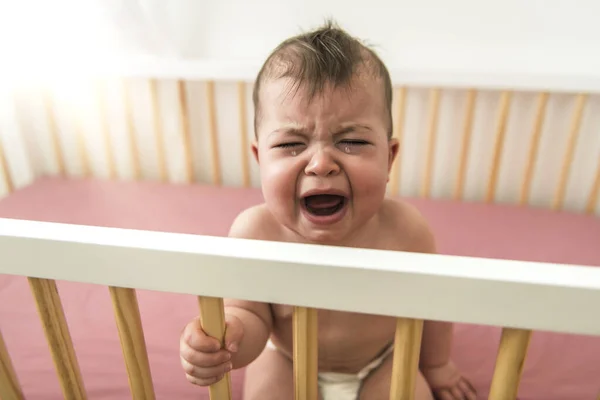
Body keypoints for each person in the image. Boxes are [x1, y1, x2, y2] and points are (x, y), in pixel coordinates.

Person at [179, 20, 476, 400]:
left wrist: (437, 366)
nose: (321, 164)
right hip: (285, 358)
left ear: (389, 158)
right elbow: (250, 316)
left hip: (383, 361)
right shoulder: (255, 234)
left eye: (351, 141)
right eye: (291, 144)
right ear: (259, 158)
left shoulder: (405, 231)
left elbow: (432, 308)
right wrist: (228, 338)